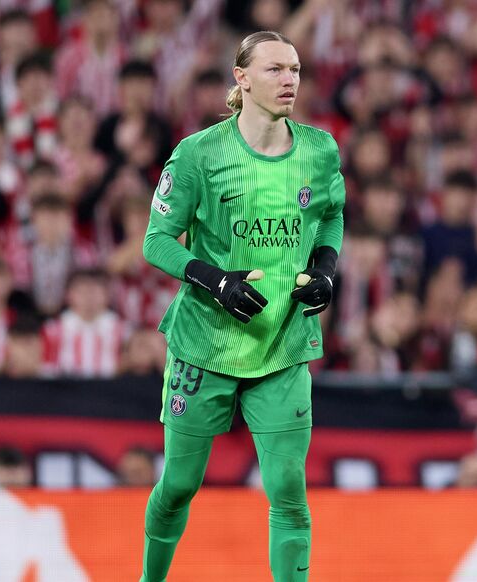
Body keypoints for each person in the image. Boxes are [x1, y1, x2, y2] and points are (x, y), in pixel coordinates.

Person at [139, 31, 345, 582]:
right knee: (179, 486)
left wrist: (325, 269)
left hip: (282, 344)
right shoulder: (199, 154)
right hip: (205, 344)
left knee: (288, 491)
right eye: (275, 69)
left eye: (295, 69)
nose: (289, 80)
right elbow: (156, 240)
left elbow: (330, 215)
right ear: (242, 78)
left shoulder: (320, 150)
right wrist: (215, 281)